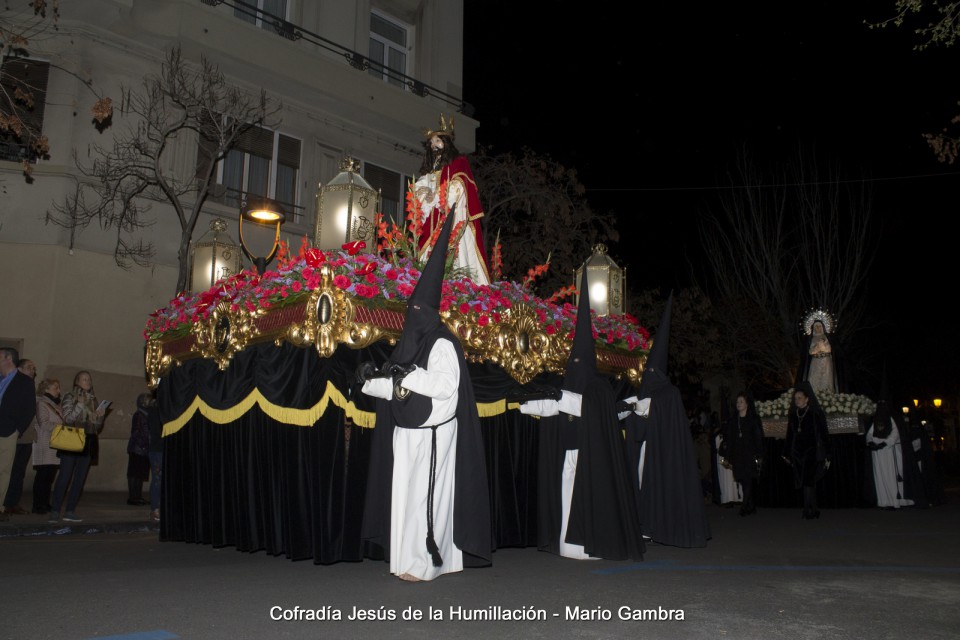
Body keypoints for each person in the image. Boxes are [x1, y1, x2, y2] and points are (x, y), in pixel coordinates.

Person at [359, 213, 491, 581]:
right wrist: (369, 382)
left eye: (420, 310)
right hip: (408, 434)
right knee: (406, 500)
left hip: (434, 434)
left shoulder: (444, 343)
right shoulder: (410, 342)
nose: (414, 316)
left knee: (427, 499)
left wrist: (410, 374)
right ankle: (407, 561)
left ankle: (428, 563)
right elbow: (394, 383)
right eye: (411, 310)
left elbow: (446, 386)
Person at [519, 285, 644, 561]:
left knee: (589, 499)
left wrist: (560, 396)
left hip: (592, 456)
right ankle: (569, 544)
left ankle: (591, 543)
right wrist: (522, 404)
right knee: (566, 498)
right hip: (569, 453)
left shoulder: (598, 390)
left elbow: (585, 406)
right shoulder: (567, 387)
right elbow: (553, 408)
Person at [623, 293, 711, 548]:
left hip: (666, 452)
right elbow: (640, 415)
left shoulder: (669, 394)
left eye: (652, 371)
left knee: (664, 488)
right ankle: (646, 526)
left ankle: (666, 527)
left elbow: (659, 414)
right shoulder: (646, 392)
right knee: (643, 485)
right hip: (647, 448)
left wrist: (642, 407)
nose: (649, 375)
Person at [413, 113, 490, 285]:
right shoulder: (431, 170)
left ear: (446, 143)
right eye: (431, 143)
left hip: (453, 217)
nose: (434, 146)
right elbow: (419, 188)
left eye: (438, 141)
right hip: (433, 219)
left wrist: (438, 197)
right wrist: (426, 196)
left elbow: (459, 186)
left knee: (457, 253)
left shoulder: (458, 162)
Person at [49, 371, 106, 523]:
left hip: (88, 441)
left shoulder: (93, 400)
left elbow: (96, 426)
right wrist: (80, 404)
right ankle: (55, 510)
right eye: (84, 379)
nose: (87, 381)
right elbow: (68, 419)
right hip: (72, 438)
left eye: (89, 379)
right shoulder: (70, 396)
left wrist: (100, 416)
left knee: (80, 479)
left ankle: (70, 511)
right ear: (77, 382)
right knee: (64, 477)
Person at [782, 382, 831, 519]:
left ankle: (806, 510)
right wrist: (786, 453)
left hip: (812, 452)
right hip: (797, 453)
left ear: (807, 399)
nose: (797, 400)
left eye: (800, 398)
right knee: (805, 481)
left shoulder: (815, 414)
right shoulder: (793, 415)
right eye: (795, 398)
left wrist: (827, 452)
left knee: (808, 481)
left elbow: (823, 434)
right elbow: (789, 435)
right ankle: (814, 509)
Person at [0, 347, 36, 522]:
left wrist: (17, 429)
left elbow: (29, 409)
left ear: (8, 359)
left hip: (7, 431)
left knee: (3, 471)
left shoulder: (24, 381)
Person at [864, 398, 920, 509]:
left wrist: (885, 443)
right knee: (880, 477)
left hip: (891, 452)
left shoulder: (894, 419)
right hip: (878, 454)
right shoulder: (875, 419)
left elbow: (896, 433)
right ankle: (884, 501)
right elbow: (870, 433)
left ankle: (895, 500)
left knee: (892, 476)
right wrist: (870, 442)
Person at [722, 392, 765, 516]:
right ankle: (751, 506)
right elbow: (730, 439)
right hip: (738, 454)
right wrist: (728, 456)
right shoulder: (734, 420)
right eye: (737, 402)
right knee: (742, 480)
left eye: (741, 401)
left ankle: (744, 506)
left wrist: (760, 454)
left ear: (747, 404)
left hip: (750, 454)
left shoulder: (753, 418)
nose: (738, 404)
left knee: (748, 478)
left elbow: (758, 437)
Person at [31, 378, 62, 515]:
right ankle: (37, 505)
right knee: (43, 476)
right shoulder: (41, 403)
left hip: (54, 444)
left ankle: (45, 503)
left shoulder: (54, 405)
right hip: (44, 444)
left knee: (49, 477)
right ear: (46, 389)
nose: (59, 391)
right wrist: (62, 427)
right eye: (56, 388)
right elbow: (43, 423)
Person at [796, 310, 842, 395]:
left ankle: (827, 395)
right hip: (815, 361)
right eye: (816, 327)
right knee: (814, 379)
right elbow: (810, 352)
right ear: (813, 328)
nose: (818, 328)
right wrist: (818, 346)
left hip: (826, 361)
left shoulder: (828, 337)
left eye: (819, 326)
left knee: (826, 380)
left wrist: (822, 346)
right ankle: (813, 395)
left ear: (823, 327)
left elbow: (830, 349)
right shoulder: (810, 339)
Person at [126, 391, 152, 506]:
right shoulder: (139, 415)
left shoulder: (146, 414)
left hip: (143, 449)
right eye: (148, 401)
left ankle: (137, 496)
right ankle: (133, 497)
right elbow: (136, 432)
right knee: (134, 474)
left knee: (139, 474)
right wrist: (141, 445)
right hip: (138, 449)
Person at [147, 391, 163, 522]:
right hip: (158, 450)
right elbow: (157, 431)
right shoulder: (155, 409)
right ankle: (155, 509)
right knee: (157, 480)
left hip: (161, 449)